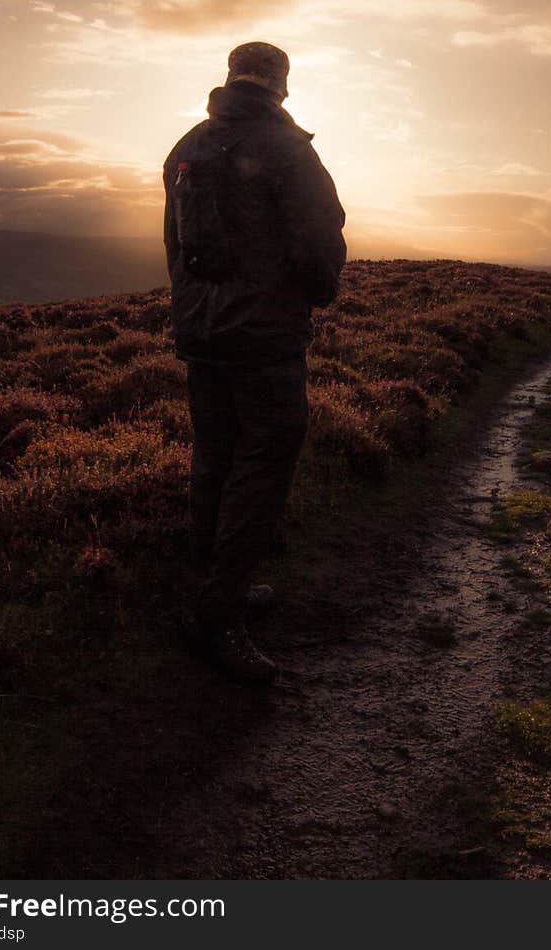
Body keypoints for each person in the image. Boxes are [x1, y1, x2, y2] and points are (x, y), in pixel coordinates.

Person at [163, 41, 346, 683]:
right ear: (282, 84)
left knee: (214, 452)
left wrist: (193, 315)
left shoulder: (186, 146)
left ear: (231, 77)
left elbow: (173, 246)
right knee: (265, 459)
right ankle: (218, 618)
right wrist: (315, 295)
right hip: (263, 335)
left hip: (201, 333)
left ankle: (216, 585)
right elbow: (320, 241)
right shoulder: (288, 149)